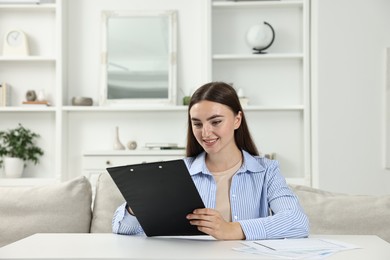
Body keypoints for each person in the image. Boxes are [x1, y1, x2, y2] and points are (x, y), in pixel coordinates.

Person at [112, 81, 309, 240]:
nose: (205, 133)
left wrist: (233, 230)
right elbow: (121, 228)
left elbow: (297, 221)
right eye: (197, 123)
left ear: (237, 120)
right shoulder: (179, 173)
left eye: (216, 122)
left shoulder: (266, 171)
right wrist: (137, 205)